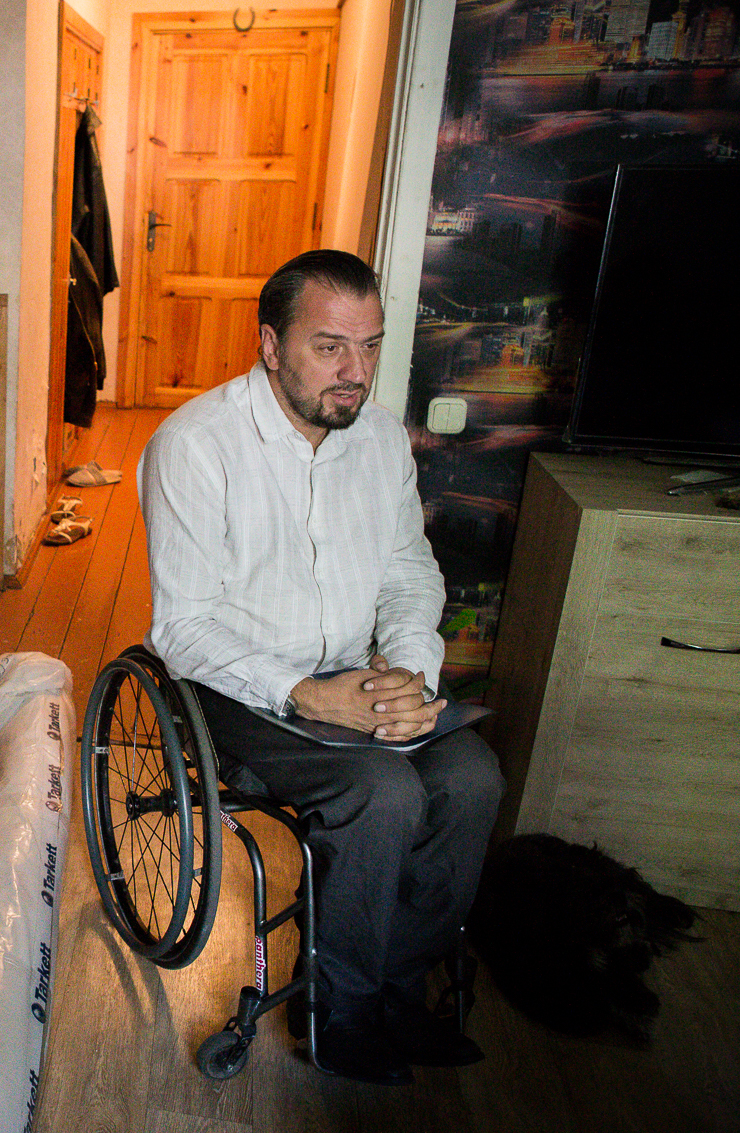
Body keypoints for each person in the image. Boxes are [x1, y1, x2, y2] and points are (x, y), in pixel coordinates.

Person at [137, 249, 503, 1084]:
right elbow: (182, 627)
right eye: (330, 347)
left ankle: (397, 988)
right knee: (383, 793)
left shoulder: (379, 439)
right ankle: (340, 1012)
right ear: (271, 345)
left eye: (369, 346)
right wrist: (307, 694)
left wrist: (408, 674)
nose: (356, 372)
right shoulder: (194, 445)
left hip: (356, 673)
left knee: (473, 778)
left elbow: (409, 572)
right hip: (241, 688)